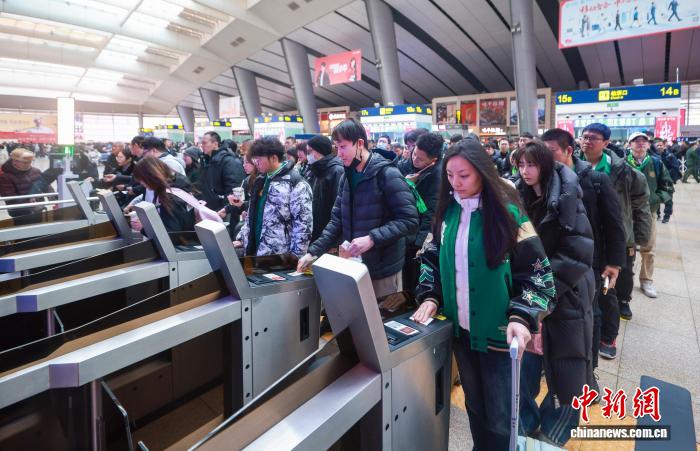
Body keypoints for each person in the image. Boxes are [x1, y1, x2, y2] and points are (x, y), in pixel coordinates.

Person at [411, 139, 555, 450]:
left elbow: (538, 275)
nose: (456, 183)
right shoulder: (447, 213)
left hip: (499, 338)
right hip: (462, 335)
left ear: (482, 172)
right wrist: (431, 296)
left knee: (503, 417)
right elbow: (431, 257)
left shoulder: (508, 214)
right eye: (450, 175)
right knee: (475, 407)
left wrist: (522, 316)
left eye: (464, 175)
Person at [514, 141, 595, 446]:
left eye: (531, 165)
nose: (525, 171)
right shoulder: (517, 195)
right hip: (529, 294)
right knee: (523, 366)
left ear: (545, 165)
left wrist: (541, 287)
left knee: (567, 369)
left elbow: (578, 253)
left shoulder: (567, 196)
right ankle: (524, 422)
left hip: (565, 293)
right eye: (521, 165)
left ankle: (555, 430)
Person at [297, 119, 419, 299]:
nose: (339, 154)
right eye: (336, 147)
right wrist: (313, 252)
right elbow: (337, 220)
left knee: (381, 316)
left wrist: (372, 238)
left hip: (382, 271)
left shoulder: (387, 174)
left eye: (343, 147)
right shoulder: (347, 176)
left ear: (360, 143)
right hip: (354, 267)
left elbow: (409, 220)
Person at [541, 129, 625, 387]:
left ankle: (589, 373)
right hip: (555, 260)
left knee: (590, 315)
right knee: (554, 313)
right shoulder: (543, 178)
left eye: (550, 152)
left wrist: (614, 262)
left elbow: (614, 224)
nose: (545, 158)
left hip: (590, 262)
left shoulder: (594, 179)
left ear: (568, 150)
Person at [581, 123, 650, 358]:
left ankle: (608, 336)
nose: (587, 141)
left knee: (607, 290)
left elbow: (641, 206)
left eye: (593, 138)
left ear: (606, 143)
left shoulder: (624, 171)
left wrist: (638, 239)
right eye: (584, 137)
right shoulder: (573, 167)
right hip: (587, 238)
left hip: (615, 237)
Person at [235, 137, 312, 258]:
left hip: (279, 256)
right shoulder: (261, 179)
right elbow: (252, 215)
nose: (256, 163)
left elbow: (303, 224)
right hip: (254, 250)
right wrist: (242, 239)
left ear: (274, 158)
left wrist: (296, 257)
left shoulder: (295, 183)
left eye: (259, 159)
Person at [626, 132, 674, 298]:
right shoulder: (623, 163)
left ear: (648, 145)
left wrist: (655, 199)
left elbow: (667, 186)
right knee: (627, 247)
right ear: (629, 145)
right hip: (627, 213)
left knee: (649, 247)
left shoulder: (656, 163)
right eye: (636, 141)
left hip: (649, 213)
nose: (640, 143)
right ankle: (626, 279)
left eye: (644, 141)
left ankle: (646, 280)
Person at [403, 132, 443, 294]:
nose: (414, 159)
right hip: (407, 228)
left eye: (420, 159)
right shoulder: (407, 165)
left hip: (418, 236)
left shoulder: (437, 176)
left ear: (433, 160)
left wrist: (419, 243)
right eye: (414, 153)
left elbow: (430, 212)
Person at [131, 158, 196, 234]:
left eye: (142, 180)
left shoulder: (169, 196)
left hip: (183, 240)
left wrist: (144, 227)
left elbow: (171, 232)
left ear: (150, 176)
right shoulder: (176, 185)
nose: (141, 183)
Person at [306, 135, 344, 242]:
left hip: (330, 235)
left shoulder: (336, 171)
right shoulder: (315, 170)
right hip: (317, 232)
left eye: (310, 151)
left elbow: (338, 209)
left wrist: (334, 240)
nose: (308, 155)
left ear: (320, 150)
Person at [0, 148, 57, 217]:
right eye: (25, 162)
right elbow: (10, 199)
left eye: (30, 162)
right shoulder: (5, 177)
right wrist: (30, 204)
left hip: (38, 209)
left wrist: (53, 197)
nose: (28, 164)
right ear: (14, 161)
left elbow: (46, 186)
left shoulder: (36, 171)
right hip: (19, 212)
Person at [198, 131, 245, 212]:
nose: (202, 145)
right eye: (201, 143)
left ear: (215, 144)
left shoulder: (228, 161)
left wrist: (226, 209)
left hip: (222, 210)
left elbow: (233, 188)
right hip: (208, 208)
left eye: (204, 143)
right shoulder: (206, 160)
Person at [655, 138, 680, 223]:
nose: (659, 147)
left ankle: (667, 216)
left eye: (661, 145)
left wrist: (667, 176)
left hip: (667, 182)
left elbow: (675, 168)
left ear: (664, 146)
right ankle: (657, 214)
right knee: (656, 199)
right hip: (656, 182)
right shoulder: (652, 157)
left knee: (668, 199)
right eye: (657, 145)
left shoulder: (670, 156)